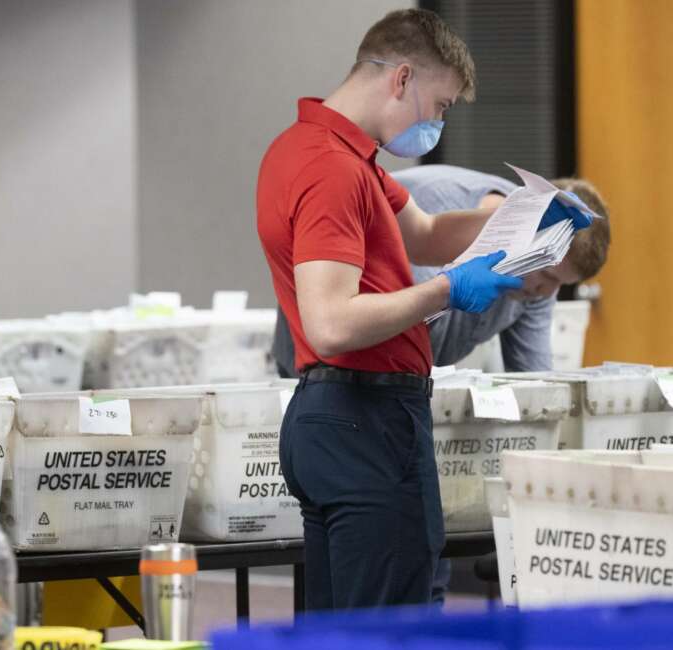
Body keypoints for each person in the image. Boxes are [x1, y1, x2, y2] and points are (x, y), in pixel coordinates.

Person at [257, 9, 591, 610]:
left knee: (346, 631)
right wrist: (447, 290)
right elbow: (331, 323)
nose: (439, 123)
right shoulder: (331, 170)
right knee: (395, 628)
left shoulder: (332, 154)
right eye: (440, 106)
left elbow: (429, 233)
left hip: (333, 416)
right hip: (365, 416)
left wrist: (523, 218)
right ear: (402, 78)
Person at [272, 165, 612, 376]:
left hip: (403, 380)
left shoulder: (539, 273)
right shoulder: (434, 206)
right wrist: (445, 290)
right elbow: (377, 327)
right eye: (548, 277)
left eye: (561, 286)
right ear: (528, 235)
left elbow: (534, 380)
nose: (546, 293)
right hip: (321, 363)